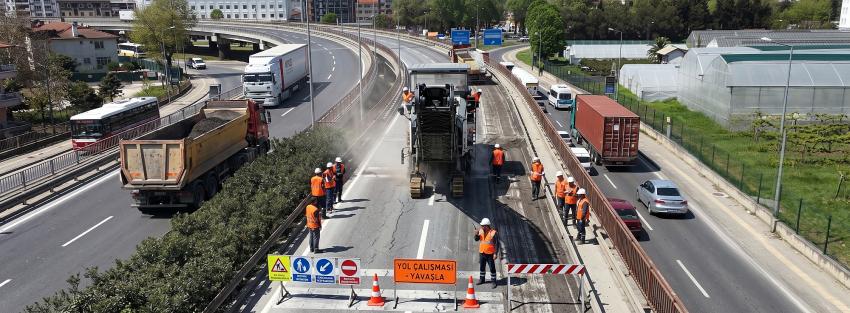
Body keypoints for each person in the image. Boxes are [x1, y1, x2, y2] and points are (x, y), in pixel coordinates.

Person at [473, 218, 498, 288]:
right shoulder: (480, 231)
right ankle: (482, 279)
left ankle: (493, 281)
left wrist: (495, 253)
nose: (481, 227)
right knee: (482, 267)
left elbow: (497, 244)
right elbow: (476, 239)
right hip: (482, 253)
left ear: (487, 226)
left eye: (483, 226)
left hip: (490, 254)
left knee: (492, 268)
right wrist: (476, 234)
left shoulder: (493, 233)